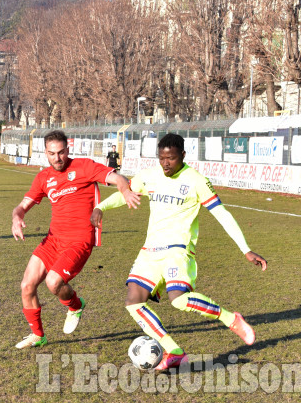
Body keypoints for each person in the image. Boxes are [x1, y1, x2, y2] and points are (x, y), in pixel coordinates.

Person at [91, 133, 268, 370]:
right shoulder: (150, 175)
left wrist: (246, 249)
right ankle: (173, 351)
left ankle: (231, 319)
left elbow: (222, 214)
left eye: (171, 159)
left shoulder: (196, 181)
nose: (165, 163)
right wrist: (101, 206)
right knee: (133, 302)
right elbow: (126, 194)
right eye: (162, 158)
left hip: (178, 248)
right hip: (150, 250)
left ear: (183, 156)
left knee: (179, 300)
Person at [12, 130, 141, 349]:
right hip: (53, 240)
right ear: (45, 153)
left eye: (61, 152)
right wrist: (17, 217)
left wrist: (125, 190)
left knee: (54, 283)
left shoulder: (84, 167)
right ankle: (38, 335)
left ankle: (75, 305)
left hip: (79, 241)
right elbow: (23, 205)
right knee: (27, 285)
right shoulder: (43, 177)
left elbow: (117, 177)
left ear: (67, 150)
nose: (57, 158)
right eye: (52, 153)